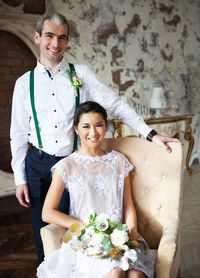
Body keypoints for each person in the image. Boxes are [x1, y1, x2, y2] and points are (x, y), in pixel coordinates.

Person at [10, 12, 180, 264]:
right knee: (42, 234)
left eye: (62, 37)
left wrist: (151, 134)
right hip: (37, 164)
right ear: (37, 37)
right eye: (49, 36)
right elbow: (17, 134)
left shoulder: (82, 74)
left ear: (68, 41)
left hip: (70, 165)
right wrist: (20, 178)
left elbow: (116, 105)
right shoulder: (24, 83)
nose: (55, 44)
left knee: (73, 233)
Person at [37, 101, 156, 278]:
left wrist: (131, 236)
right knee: (115, 273)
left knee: (136, 275)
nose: (93, 133)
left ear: (106, 126)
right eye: (86, 126)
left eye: (99, 125)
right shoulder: (67, 166)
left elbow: (128, 205)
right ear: (76, 129)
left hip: (119, 237)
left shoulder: (118, 161)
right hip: (87, 240)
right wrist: (84, 228)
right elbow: (47, 213)